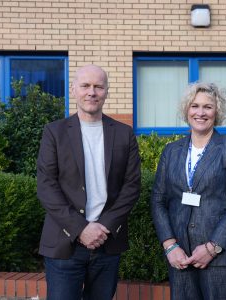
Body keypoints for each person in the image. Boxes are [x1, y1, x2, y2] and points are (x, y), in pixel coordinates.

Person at [37, 64, 141, 300]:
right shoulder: (54, 132)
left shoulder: (124, 134)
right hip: (65, 245)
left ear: (106, 91)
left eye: (98, 86)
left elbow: (131, 186)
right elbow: (46, 186)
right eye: (85, 86)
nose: (91, 92)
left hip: (107, 242)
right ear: (73, 89)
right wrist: (81, 228)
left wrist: (103, 226)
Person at [151, 82, 226, 300]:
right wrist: (170, 246)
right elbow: (158, 200)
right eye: (195, 106)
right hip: (181, 258)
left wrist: (212, 247)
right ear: (186, 110)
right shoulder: (171, 151)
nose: (200, 112)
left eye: (208, 107)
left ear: (218, 112)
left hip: (222, 259)